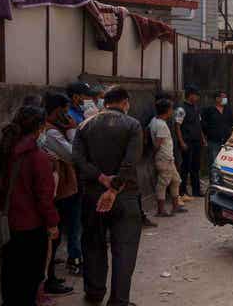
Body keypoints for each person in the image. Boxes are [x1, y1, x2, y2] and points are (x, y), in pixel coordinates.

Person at [73, 87, 143, 306]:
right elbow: (130, 162)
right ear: (125, 102)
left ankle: (94, 293)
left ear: (105, 103)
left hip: (92, 195)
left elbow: (77, 159)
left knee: (93, 244)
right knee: (124, 249)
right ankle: (119, 300)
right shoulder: (132, 125)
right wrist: (113, 190)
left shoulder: (84, 126)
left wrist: (101, 178)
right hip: (125, 197)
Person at [0, 106, 60, 306]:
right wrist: (53, 223)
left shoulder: (2, 151)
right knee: (29, 280)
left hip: (8, 224)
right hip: (31, 227)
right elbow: (44, 198)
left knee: (10, 275)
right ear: (38, 128)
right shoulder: (38, 158)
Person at [40, 93, 77, 295]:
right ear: (57, 111)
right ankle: (48, 281)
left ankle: (50, 277)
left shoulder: (52, 130)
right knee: (52, 239)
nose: (67, 116)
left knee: (55, 238)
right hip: (56, 192)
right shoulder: (51, 133)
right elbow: (73, 155)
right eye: (65, 111)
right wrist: (72, 131)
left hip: (59, 189)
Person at [149, 99, 188, 217]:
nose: (172, 111)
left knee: (176, 180)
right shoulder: (161, 125)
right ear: (167, 110)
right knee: (163, 183)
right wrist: (155, 155)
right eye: (171, 109)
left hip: (167, 158)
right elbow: (157, 144)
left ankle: (175, 206)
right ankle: (160, 210)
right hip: (164, 158)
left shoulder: (155, 121)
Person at [175, 85, 204, 198]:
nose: (197, 98)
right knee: (185, 167)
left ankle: (196, 191)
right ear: (190, 95)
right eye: (196, 95)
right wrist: (181, 142)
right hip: (187, 142)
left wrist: (202, 138)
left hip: (197, 141)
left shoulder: (196, 108)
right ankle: (182, 191)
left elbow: (199, 124)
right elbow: (177, 126)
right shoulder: (181, 109)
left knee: (196, 167)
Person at [201, 92, 233, 168]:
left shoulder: (228, 110)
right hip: (213, 142)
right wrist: (204, 139)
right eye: (223, 97)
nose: (225, 99)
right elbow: (202, 125)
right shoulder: (209, 110)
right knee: (214, 163)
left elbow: (232, 124)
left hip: (226, 142)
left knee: (226, 163)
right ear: (217, 99)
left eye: (226, 97)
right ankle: (214, 179)